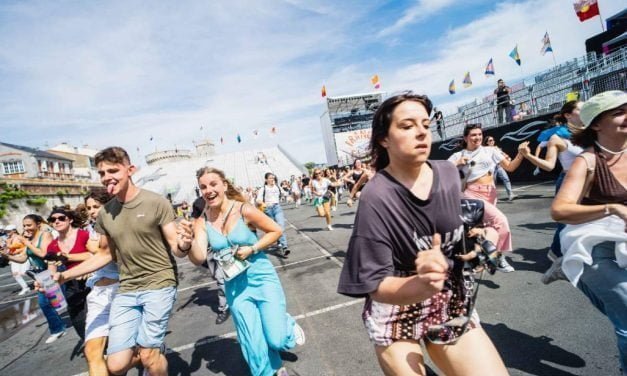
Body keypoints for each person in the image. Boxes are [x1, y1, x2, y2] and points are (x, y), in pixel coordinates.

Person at [337, 92, 507, 376]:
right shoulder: (376, 196)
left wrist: (483, 238)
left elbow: (470, 220)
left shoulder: (449, 173)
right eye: (407, 126)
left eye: (425, 125)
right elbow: (376, 285)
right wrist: (424, 284)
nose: (421, 133)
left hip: (451, 299)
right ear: (384, 139)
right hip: (397, 307)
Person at [56, 146, 184, 376]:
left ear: (130, 170)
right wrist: (64, 275)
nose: (107, 178)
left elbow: (176, 245)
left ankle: (153, 353)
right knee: (115, 365)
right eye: (102, 173)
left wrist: (185, 243)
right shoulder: (106, 214)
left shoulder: (156, 202)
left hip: (160, 283)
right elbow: (105, 255)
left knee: (147, 355)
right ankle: (154, 350)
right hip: (127, 289)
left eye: (113, 171)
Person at [178, 167, 305, 376]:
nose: (208, 190)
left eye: (213, 184)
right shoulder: (201, 222)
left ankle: (288, 326)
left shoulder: (243, 209)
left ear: (224, 185)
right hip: (235, 286)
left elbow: (276, 230)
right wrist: (187, 243)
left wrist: (254, 248)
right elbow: (199, 256)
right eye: (203, 187)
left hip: (262, 277)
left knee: (277, 338)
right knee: (252, 341)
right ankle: (270, 371)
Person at [550, 90, 627, 374]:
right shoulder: (588, 161)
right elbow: (559, 210)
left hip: (624, 240)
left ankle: (569, 270)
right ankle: (574, 263)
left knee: (618, 308)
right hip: (593, 241)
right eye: (618, 113)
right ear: (596, 124)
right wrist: (613, 208)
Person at [448, 123, 526, 272]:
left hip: (490, 194)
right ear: (465, 138)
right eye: (473, 135)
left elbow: (510, 167)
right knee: (501, 221)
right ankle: (498, 258)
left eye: (479, 134)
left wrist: (521, 154)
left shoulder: (491, 150)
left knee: (488, 229)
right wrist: (456, 163)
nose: (477, 137)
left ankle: (478, 260)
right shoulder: (459, 155)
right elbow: (443, 170)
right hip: (472, 195)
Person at [518, 101, 585, 275]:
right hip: (569, 182)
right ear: (568, 115)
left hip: (589, 182)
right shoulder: (557, 138)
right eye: (580, 109)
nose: (584, 111)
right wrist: (528, 156)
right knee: (566, 223)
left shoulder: (588, 133)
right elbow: (549, 165)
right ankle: (556, 254)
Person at [3, 215, 66, 343]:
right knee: (46, 303)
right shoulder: (29, 239)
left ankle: (63, 326)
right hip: (41, 274)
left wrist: (26, 242)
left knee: (60, 300)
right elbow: (23, 259)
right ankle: (58, 329)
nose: (26, 228)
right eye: (24, 225)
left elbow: (43, 254)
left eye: (29, 225)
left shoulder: (45, 235)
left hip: (53, 271)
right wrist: (6, 255)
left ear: (38, 224)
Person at [82, 188, 120, 376]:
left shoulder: (118, 225)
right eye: (89, 207)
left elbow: (120, 258)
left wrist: (96, 251)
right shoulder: (92, 229)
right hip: (98, 294)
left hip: (121, 291)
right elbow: (92, 257)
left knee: (120, 359)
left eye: (96, 206)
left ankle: (153, 353)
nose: (92, 211)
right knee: (91, 351)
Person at [46, 207, 92, 341]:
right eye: (52, 219)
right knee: (79, 321)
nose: (57, 221)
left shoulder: (83, 234)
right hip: (72, 284)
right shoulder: (52, 246)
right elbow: (51, 270)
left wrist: (68, 257)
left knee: (99, 316)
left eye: (61, 218)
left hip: (92, 279)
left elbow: (96, 255)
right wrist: (48, 285)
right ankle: (91, 346)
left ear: (70, 219)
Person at [191, 196, 230, 325]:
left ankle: (224, 307)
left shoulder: (222, 198)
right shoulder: (198, 203)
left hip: (225, 245)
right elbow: (195, 219)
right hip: (209, 248)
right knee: (219, 277)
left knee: (222, 279)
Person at [256, 172, 290, 257]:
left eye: (273, 178)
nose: (272, 180)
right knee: (274, 229)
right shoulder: (263, 189)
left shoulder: (277, 187)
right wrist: (261, 202)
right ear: (266, 179)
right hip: (267, 209)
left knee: (280, 226)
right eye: (270, 178)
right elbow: (258, 199)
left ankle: (284, 247)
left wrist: (287, 193)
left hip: (277, 207)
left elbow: (285, 193)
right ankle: (280, 243)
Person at [484, 136, 516, 201]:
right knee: (493, 183)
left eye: (493, 140)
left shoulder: (496, 148)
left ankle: (510, 194)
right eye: (490, 140)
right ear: (487, 142)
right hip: (491, 168)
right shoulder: (485, 149)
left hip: (499, 166)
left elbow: (503, 154)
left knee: (506, 179)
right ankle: (492, 198)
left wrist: (507, 157)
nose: (492, 141)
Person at [3, 225, 31, 295]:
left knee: (25, 272)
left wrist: (19, 251)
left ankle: (41, 281)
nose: (7, 232)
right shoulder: (8, 239)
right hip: (14, 258)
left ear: (14, 230)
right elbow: (8, 249)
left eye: (8, 231)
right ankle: (25, 288)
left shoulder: (19, 237)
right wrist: (6, 252)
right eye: (6, 231)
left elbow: (28, 245)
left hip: (23, 256)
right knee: (15, 274)